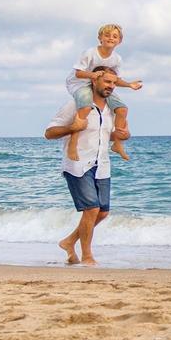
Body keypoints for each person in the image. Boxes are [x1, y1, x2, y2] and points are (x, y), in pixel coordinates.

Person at [44, 66, 129, 266]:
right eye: (107, 81)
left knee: (103, 212)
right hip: (78, 164)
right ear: (95, 80)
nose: (111, 86)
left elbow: (112, 135)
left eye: (114, 83)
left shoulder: (112, 109)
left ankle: (69, 241)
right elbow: (49, 132)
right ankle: (87, 256)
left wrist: (123, 135)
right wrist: (70, 128)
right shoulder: (75, 104)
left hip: (102, 165)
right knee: (91, 208)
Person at [65, 24, 142, 162]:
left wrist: (130, 85)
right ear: (100, 38)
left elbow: (115, 80)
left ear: (120, 41)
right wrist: (92, 75)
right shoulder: (90, 53)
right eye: (107, 35)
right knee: (86, 107)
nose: (110, 38)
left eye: (115, 36)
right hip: (80, 83)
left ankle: (117, 143)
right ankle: (73, 143)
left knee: (122, 109)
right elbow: (78, 73)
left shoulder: (116, 59)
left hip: (101, 85)